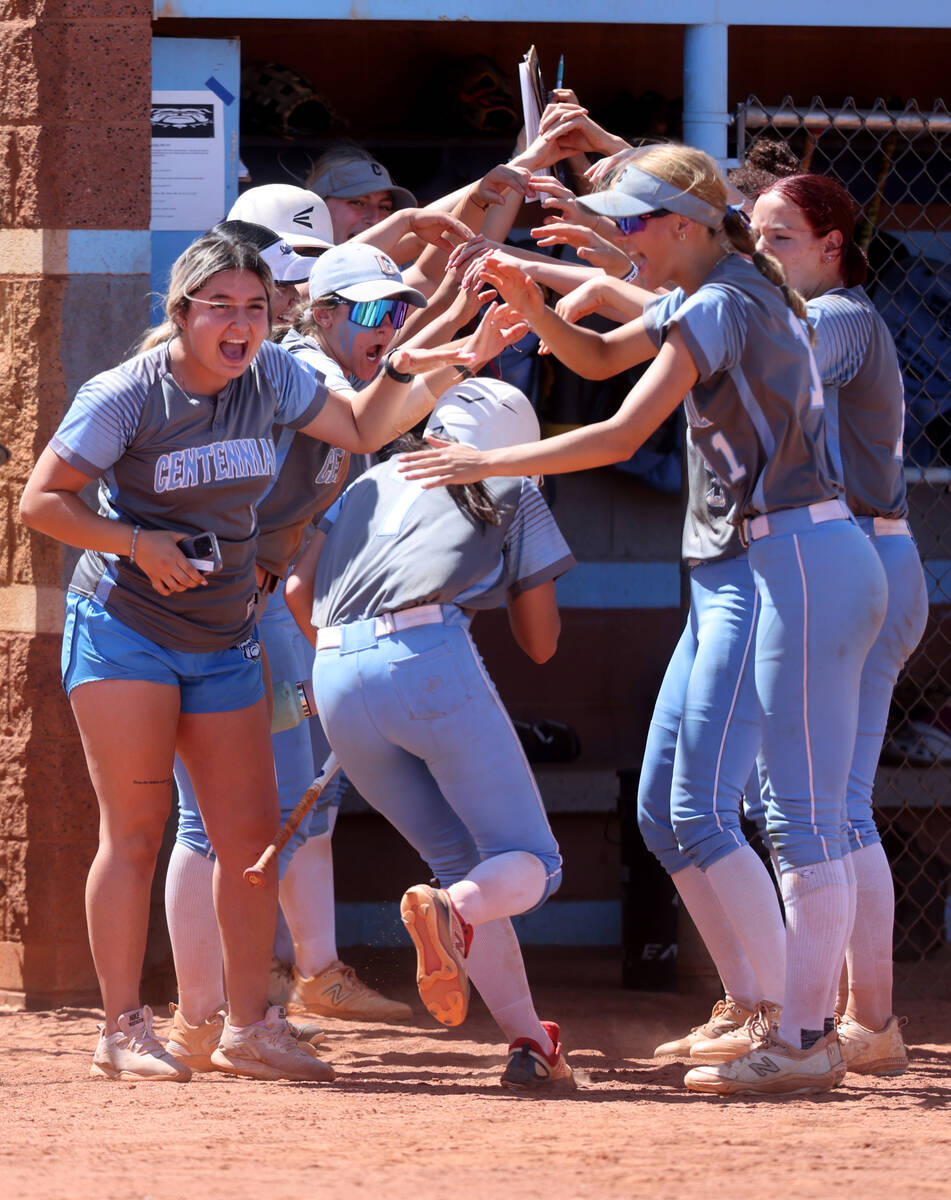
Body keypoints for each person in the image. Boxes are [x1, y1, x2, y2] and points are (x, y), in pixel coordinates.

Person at [400, 144, 890, 1097]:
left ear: (682, 226)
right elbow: (596, 352)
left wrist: (492, 465)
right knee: (796, 815)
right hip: (799, 554)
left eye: (633, 223)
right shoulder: (731, 284)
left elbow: (623, 431)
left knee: (802, 818)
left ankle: (800, 1038)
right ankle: (794, 1030)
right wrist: (537, 305)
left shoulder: (722, 296)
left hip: (800, 553)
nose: (621, 239)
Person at [18, 227, 477, 1082]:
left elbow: (365, 420)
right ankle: (122, 1028)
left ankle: (248, 1027)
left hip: (226, 634)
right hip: (124, 630)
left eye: (256, 309)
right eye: (219, 307)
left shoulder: (273, 376)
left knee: (252, 841)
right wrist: (135, 542)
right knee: (139, 829)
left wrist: (454, 354)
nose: (239, 324)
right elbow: (41, 501)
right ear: (183, 313)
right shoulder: (127, 393)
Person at [285, 379, 577, 1092]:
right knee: (530, 861)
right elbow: (539, 643)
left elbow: (296, 592)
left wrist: (353, 667)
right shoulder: (508, 480)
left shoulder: (365, 482)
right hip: (425, 661)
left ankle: (529, 1042)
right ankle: (453, 910)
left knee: (459, 863)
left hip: (333, 668)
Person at [744, 173, 928, 1075]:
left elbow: (770, 367)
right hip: (866, 559)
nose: (762, 254)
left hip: (853, 559)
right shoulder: (804, 310)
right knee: (834, 804)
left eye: (781, 238)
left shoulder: (843, 314)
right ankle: (872, 1024)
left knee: (809, 806)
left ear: (830, 247)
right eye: (754, 237)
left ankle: (820, 1023)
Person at [307, 145, 417, 243]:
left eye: (384, 207)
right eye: (358, 203)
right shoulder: (293, 263)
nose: (375, 220)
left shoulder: (400, 264)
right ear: (317, 206)